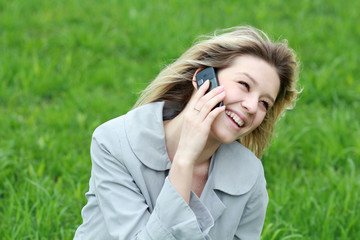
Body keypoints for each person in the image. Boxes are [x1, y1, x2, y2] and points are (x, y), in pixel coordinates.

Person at [74, 26, 299, 240]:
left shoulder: (250, 174)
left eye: (264, 103)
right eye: (244, 84)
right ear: (203, 78)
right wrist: (184, 161)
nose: (251, 106)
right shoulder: (114, 142)